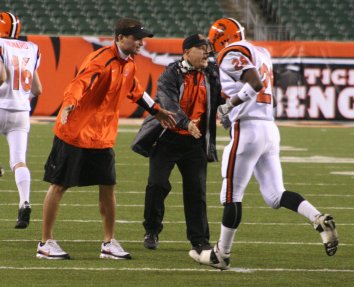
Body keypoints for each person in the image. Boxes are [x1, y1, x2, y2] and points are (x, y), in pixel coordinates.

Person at [189, 18, 339, 270]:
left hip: (248, 129)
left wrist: (230, 105)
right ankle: (318, 218)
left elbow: (254, 82)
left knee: (231, 195)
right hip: (268, 127)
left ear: (221, 38)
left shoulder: (230, 51)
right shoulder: (262, 52)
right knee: (274, 194)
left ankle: (221, 254)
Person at [36, 18, 176, 260]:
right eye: (137, 38)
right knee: (59, 185)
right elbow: (79, 84)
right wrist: (69, 105)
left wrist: (157, 110)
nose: (142, 42)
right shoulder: (101, 59)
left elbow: (135, 90)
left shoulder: (129, 63)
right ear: (120, 38)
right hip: (76, 131)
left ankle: (109, 242)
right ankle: (45, 242)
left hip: (102, 135)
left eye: (143, 38)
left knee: (108, 186)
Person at [131, 34, 223, 253]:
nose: (207, 52)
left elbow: (222, 97)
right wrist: (186, 122)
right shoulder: (170, 73)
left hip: (195, 141)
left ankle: (199, 240)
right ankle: (152, 230)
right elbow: (167, 102)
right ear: (187, 52)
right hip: (167, 138)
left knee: (196, 192)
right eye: (201, 48)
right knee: (157, 184)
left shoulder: (212, 73)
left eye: (207, 48)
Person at [0, 12, 42, 229]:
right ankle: (24, 201)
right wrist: (21, 98)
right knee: (18, 160)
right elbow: (38, 89)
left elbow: (1, 77)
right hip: (21, 111)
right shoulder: (32, 48)